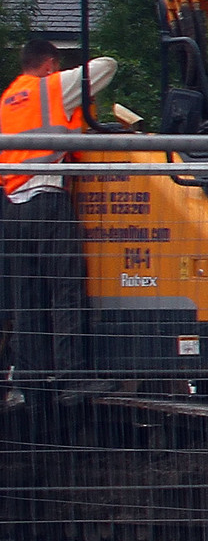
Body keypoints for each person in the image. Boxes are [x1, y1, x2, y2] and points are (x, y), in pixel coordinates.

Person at [1, 35, 93, 375]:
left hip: (13, 205)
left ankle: (31, 384)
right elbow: (104, 67)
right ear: (50, 65)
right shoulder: (53, 87)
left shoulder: (7, 98)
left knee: (27, 301)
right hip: (47, 199)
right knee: (66, 289)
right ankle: (72, 375)